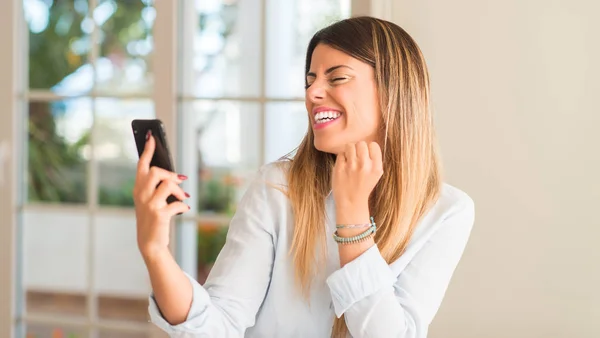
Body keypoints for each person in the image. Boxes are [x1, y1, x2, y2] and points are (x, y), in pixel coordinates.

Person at [133, 16, 475, 338]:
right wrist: (155, 251)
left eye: (336, 77)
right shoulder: (277, 188)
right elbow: (219, 326)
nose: (312, 93)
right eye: (310, 80)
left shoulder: (446, 211)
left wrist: (352, 214)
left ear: (393, 89)